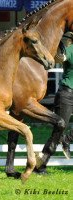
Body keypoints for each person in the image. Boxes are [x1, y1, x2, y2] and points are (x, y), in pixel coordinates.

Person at [36, 32, 73, 173]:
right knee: (59, 129)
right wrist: (58, 44)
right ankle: (40, 166)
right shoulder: (70, 49)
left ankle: (67, 139)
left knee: (61, 133)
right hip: (67, 94)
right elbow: (60, 58)